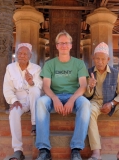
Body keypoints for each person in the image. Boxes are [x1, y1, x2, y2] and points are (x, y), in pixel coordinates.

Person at [35, 30, 91, 160]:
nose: (64, 45)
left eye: (66, 43)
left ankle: (76, 148)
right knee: (41, 102)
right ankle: (44, 149)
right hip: (54, 96)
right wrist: (54, 98)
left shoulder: (79, 63)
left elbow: (83, 85)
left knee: (86, 104)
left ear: (71, 45)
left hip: (74, 96)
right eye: (61, 43)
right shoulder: (50, 64)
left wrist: (72, 99)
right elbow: (46, 86)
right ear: (57, 46)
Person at [85, 42, 119, 160]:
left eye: (103, 59)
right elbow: (87, 94)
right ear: (93, 58)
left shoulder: (116, 73)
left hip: (114, 103)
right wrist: (90, 86)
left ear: (108, 59)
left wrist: (111, 103)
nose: (100, 62)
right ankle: (96, 152)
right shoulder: (88, 73)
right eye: (97, 59)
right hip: (96, 102)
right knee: (88, 112)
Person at [3, 43, 43, 160]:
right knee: (14, 112)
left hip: (33, 100)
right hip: (19, 101)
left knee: (34, 90)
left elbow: (39, 86)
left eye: (25, 54)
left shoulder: (36, 69)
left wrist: (31, 82)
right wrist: (14, 100)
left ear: (30, 56)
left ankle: (34, 124)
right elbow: (7, 87)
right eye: (19, 53)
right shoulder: (10, 68)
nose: (22, 56)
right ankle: (18, 150)